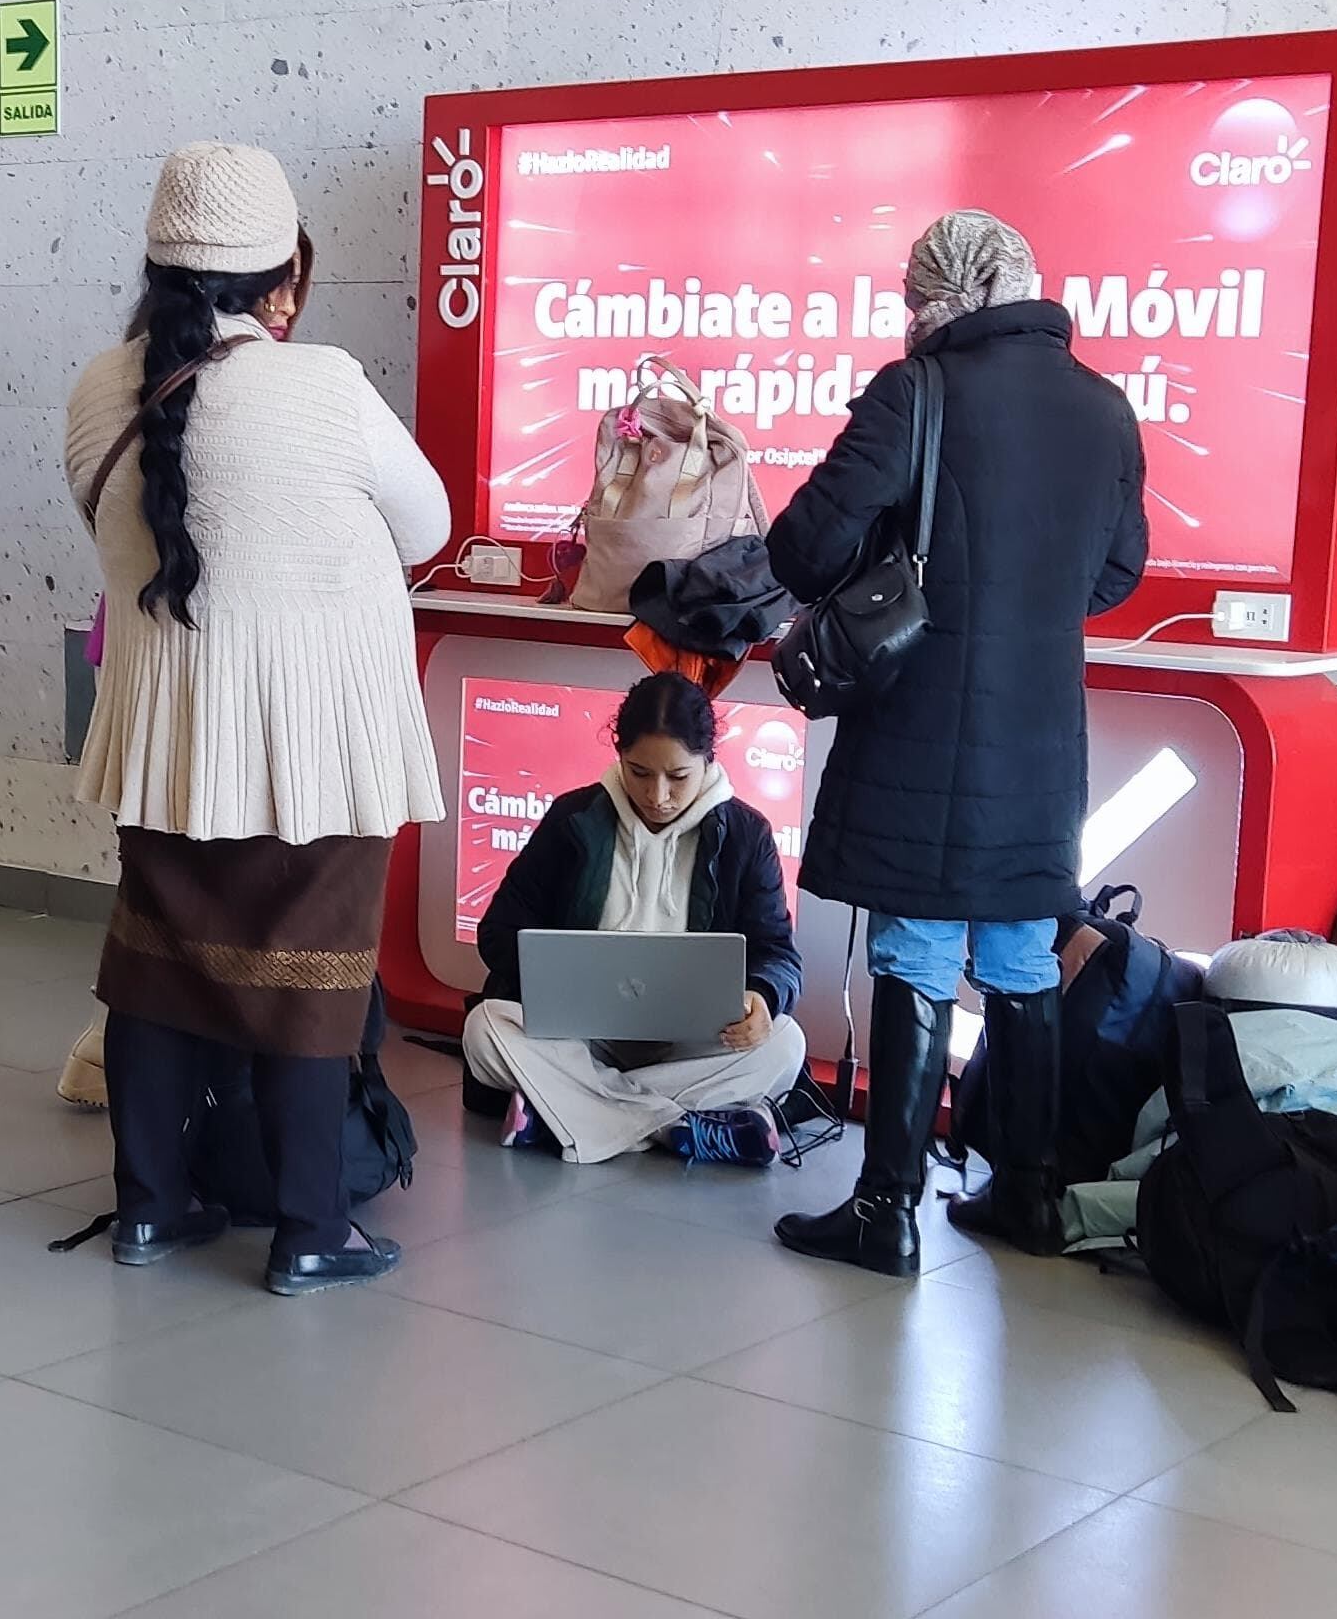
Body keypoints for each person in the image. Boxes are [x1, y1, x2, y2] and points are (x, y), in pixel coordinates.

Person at [65, 141, 449, 1295]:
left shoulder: (98, 386)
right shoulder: (323, 384)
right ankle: (310, 1228)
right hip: (312, 746)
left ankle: (149, 1210)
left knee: (154, 971)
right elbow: (426, 525)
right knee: (309, 979)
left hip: (166, 737)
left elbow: (118, 528)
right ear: (280, 274)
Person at [767, 210, 1148, 1277]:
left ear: (934, 301)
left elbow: (805, 548)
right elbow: (1117, 576)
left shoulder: (918, 392)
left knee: (918, 950)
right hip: (1041, 734)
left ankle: (887, 1209)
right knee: (1025, 954)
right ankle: (1025, 1193)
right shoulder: (1105, 408)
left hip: (925, 727)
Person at [56, 223, 321, 1117]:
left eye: (298, 290)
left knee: (166, 893)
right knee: (194, 895)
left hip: (146, 664)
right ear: (247, 288)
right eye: (279, 287)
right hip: (186, 675)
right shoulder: (292, 395)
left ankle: (144, 1077)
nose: (287, 307)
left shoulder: (113, 380)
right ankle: (150, 1067)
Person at [462, 672, 808, 1165]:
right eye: (640, 772)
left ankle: (563, 1112)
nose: (658, 795)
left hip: (693, 1043)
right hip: (582, 1038)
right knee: (485, 1027)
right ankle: (677, 1128)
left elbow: (778, 953)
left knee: (785, 1044)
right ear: (618, 754)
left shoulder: (746, 835)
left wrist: (764, 995)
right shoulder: (573, 818)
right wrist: (552, 979)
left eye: (677, 776)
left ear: (708, 760)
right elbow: (498, 932)